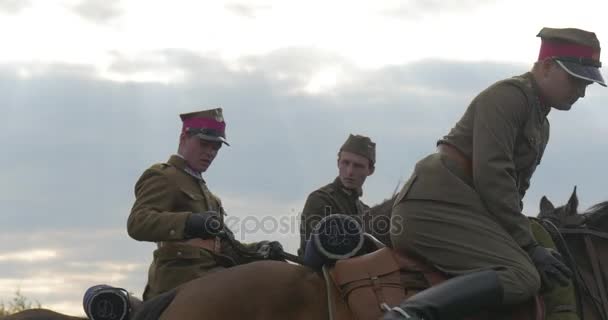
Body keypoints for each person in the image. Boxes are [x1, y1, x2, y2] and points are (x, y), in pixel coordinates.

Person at [384, 27, 605, 320]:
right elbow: (492, 177)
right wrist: (528, 246)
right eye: (575, 80)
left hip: (466, 212)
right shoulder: (508, 97)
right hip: (433, 210)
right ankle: (407, 315)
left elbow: (514, 192)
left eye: (586, 84)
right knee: (522, 275)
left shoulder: (541, 122)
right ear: (547, 66)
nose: (581, 91)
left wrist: (531, 240)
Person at [127, 108, 285, 301]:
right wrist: (190, 222)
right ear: (184, 137)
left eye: (215, 148)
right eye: (204, 144)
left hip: (212, 271)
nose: (210, 153)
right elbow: (138, 222)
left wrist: (260, 251)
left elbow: (224, 248)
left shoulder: (210, 196)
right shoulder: (164, 176)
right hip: (180, 277)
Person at [298, 134, 376, 257]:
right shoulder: (320, 199)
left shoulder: (364, 209)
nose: (350, 171)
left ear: (370, 171)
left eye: (358, 166)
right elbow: (316, 249)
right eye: (345, 163)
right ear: (338, 163)